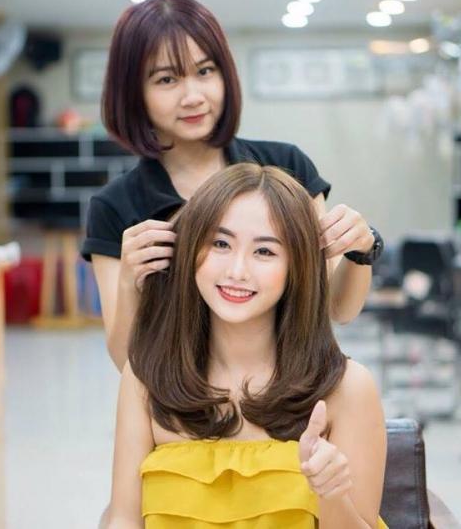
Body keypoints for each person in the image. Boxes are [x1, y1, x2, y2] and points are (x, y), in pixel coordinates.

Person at [81, 0, 384, 370]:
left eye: (205, 71)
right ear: (133, 93)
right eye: (167, 79)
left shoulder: (286, 167)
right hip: (182, 399)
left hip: (291, 390)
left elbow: (338, 308)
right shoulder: (116, 206)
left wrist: (361, 249)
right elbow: (125, 361)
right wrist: (130, 281)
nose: (193, 97)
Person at [106, 163, 388, 529]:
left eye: (265, 251)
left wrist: (332, 495)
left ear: (297, 267)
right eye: (220, 244)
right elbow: (123, 520)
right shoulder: (144, 379)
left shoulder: (349, 388)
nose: (237, 271)